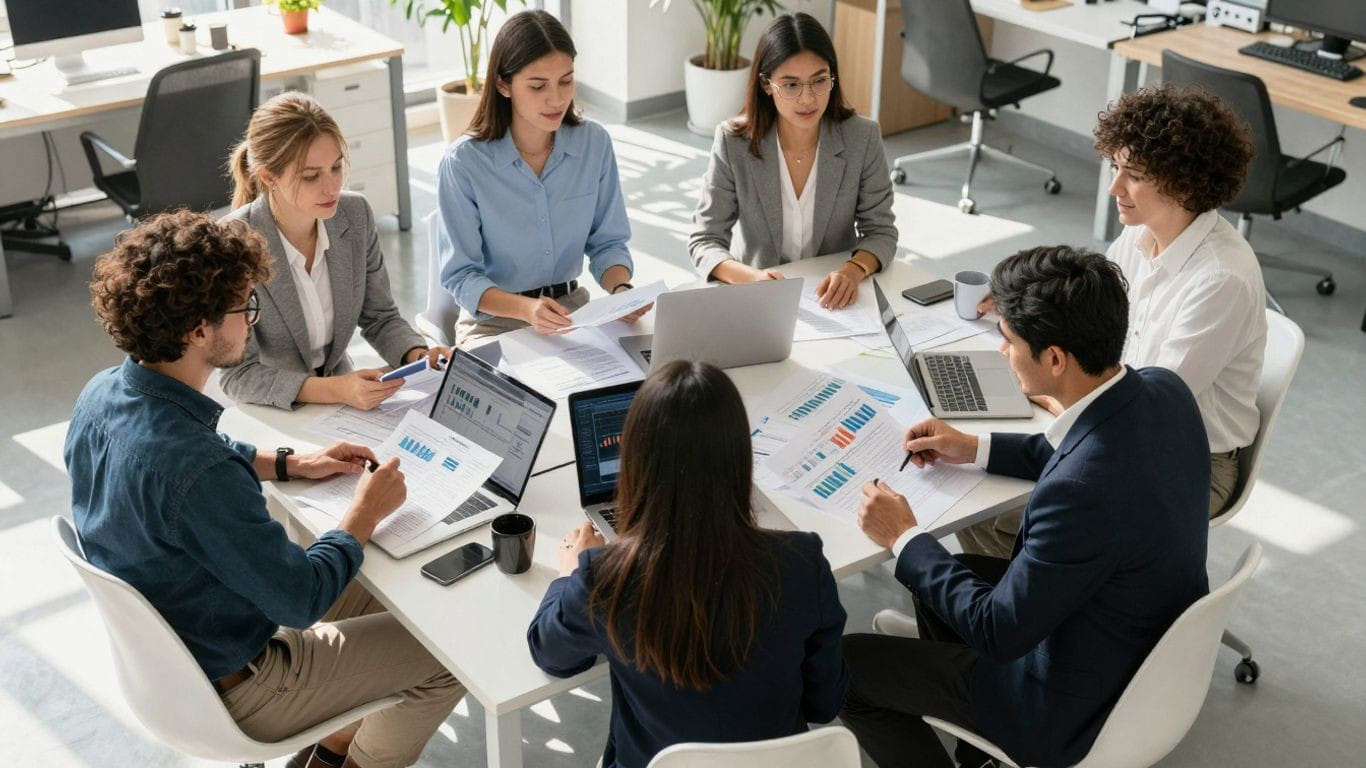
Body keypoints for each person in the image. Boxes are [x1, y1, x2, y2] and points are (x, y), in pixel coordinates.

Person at [66, 211, 465, 768]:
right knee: (449, 655)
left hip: (178, 657)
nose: (251, 322)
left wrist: (293, 463)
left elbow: (193, 458)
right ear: (198, 330)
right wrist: (364, 513)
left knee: (400, 594)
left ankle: (328, 753)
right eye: (243, 307)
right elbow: (300, 601)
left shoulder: (102, 394)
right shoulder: (198, 472)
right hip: (246, 685)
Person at [840, 246, 1211, 768]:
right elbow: (1078, 448)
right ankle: (980, 755)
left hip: (1064, 705)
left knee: (845, 668)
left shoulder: (1080, 493)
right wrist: (973, 447)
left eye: (1009, 341)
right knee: (948, 575)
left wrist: (902, 536)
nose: (1001, 352)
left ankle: (989, 734)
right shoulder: (1163, 390)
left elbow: (999, 631)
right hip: (1138, 638)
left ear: (1054, 358)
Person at [957, 83, 1264, 559]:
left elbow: (1147, 412)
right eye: (1115, 167)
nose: (1114, 188)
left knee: (996, 516)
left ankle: (1040, 601)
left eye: (1134, 175)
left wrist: (1051, 398)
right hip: (1119, 419)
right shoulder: (1140, 235)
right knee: (983, 486)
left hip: (1189, 461)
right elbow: (1091, 312)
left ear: (1184, 185)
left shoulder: (1220, 280)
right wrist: (1025, 302)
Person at [526, 361, 849, 768]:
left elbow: (552, 655)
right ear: (739, 458)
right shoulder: (802, 562)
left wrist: (569, 574)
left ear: (635, 461)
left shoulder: (604, 576)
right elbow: (824, 703)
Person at [219, 92, 448, 412]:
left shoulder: (355, 215)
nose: (332, 187)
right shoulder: (231, 242)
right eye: (311, 176)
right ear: (269, 176)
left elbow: (380, 317)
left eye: (337, 167)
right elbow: (238, 374)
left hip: (342, 398)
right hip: (272, 405)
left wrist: (419, 357)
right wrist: (336, 390)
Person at [437, 10, 647, 348]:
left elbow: (608, 243)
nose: (557, 98)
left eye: (566, 81)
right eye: (538, 86)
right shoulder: (463, 164)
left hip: (573, 312)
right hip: (493, 324)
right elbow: (461, 276)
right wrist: (526, 309)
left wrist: (621, 289)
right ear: (503, 85)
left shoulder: (594, 144)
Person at [689, 12, 897, 310]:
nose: (807, 99)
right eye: (790, 85)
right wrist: (751, 279)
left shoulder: (862, 137)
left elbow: (881, 231)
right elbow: (705, 240)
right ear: (766, 84)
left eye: (819, 81)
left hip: (833, 299)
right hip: (759, 297)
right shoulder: (733, 142)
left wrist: (853, 270)